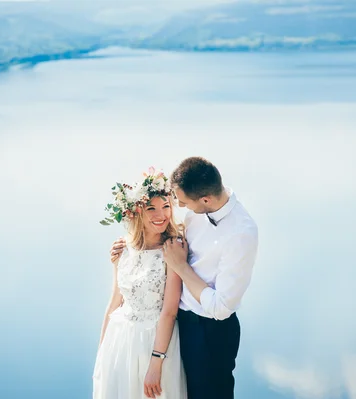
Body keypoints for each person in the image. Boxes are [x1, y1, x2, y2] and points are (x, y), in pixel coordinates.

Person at [110, 157, 258, 399]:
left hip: (210, 331)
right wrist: (127, 246)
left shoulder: (242, 233)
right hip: (178, 326)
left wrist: (180, 266)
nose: (179, 206)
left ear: (205, 200)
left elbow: (221, 307)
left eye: (183, 202)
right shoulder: (197, 206)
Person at [93, 167, 187, 399]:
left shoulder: (173, 247)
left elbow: (169, 312)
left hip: (155, 342)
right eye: (151, 208)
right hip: (120, 340)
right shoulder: (123, 248)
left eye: (166, 207)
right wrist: (102, 350)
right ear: (136, 212)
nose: (161, 215)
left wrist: (156, 365)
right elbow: (115, 301)